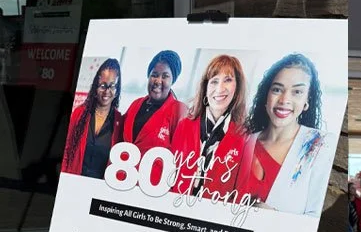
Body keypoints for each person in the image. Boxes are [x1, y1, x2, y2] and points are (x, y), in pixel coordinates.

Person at [242, 53, 336, 217]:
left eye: (297, 92)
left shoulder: (321, 145)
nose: (284, 99)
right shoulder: (244, 143)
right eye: (277, 89)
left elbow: (316, 218)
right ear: (266, 96)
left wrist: (274, 217)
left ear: (307, 101)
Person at [170, 54, 250, 199]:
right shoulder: (184, 125)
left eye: (228, 80)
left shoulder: (244, 138)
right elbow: (170, 175)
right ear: (205, 87)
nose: (220, 88)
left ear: (237, 88)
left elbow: (240, 192)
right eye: (214, 81)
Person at [62, 58, 123, 178]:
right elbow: (66, 151)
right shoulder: (79, 113)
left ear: (117, 91)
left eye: (112, 86)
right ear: (96, 87)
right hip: (75, 181)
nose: (107, 91)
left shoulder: (120, 122)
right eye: (103, 85)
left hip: (99, 189)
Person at [122, 50, 184, 156]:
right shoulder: (136, 104)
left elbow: (181, 156)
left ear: (172, 81)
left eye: (165, 76)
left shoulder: (179, 111)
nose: (158, 81)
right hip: (122, 171)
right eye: (154, 75)